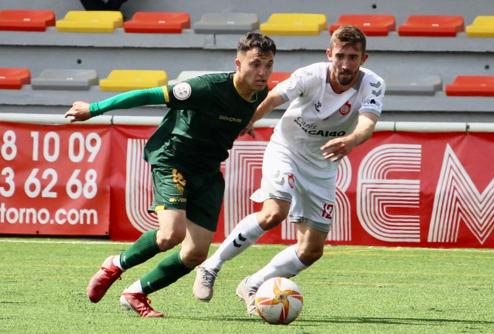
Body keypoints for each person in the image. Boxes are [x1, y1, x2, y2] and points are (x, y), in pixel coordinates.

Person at [64, 32, 276, 317]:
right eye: (255, 64)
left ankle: (136, 292)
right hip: (173, 158)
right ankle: (116, 263)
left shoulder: (259, 92)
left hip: (209, 170)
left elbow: (241, 111)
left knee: (196, 253)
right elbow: (150, 94)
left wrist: (246, 122)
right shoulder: (206, 87)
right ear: (238, 63)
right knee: (170, 234)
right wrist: (94, 109)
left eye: (268, 65)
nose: (262, 72)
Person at [193, 25, 385, 314]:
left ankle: (253, 284)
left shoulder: (373, 84)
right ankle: (211, 265)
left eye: (353, 57)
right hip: (287, 150)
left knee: (311, 250)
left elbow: (368, 122)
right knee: (274, 212)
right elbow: (273, 98)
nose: (346, 64)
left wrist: (351, 140)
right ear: (329, 54)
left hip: (322, 166)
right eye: (340, 56)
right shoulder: (311, 75)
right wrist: (248, 120)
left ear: (364, 59)